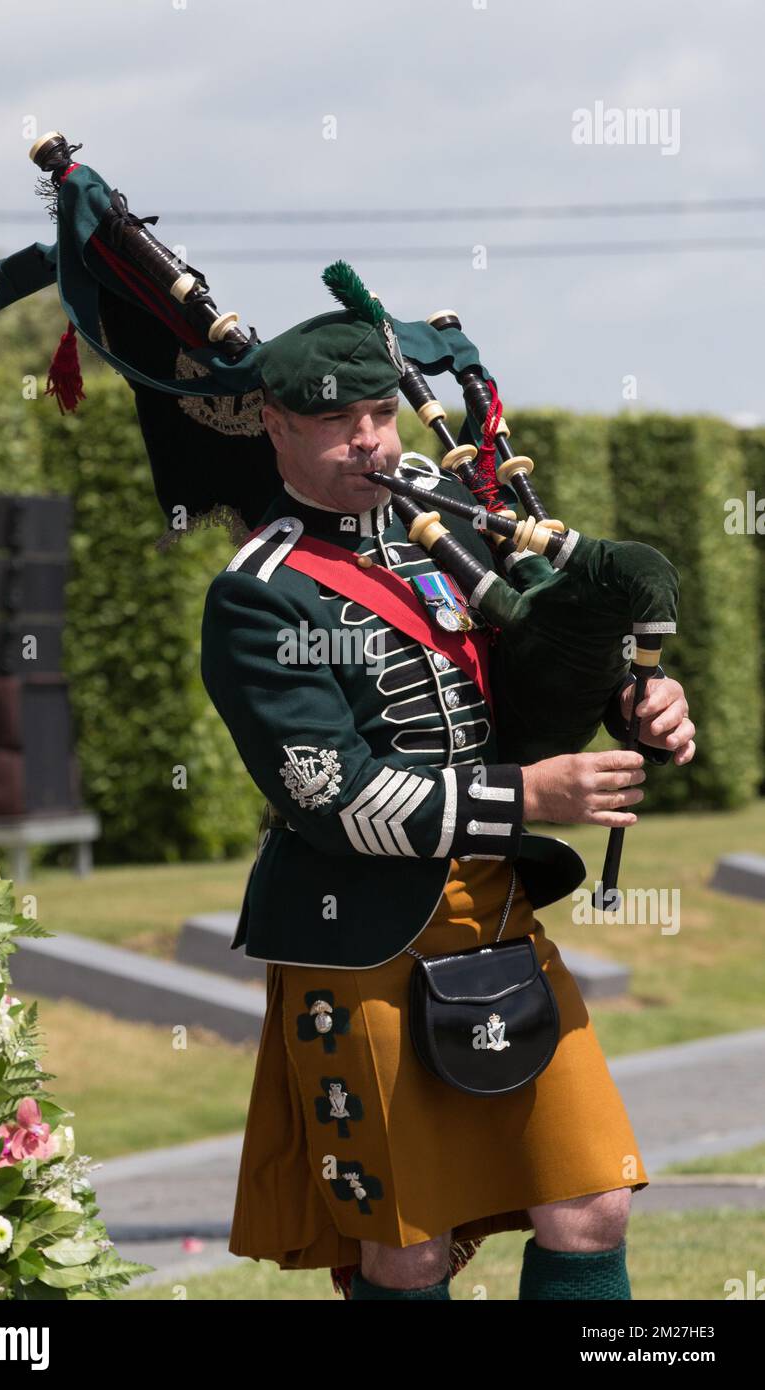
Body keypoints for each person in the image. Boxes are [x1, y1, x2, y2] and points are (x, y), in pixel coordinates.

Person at [200, 273, 695, 1302]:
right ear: (275, 426)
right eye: (336, 421)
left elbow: (541, 657)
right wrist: (529, 798)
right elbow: (334, 797)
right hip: (362, 932)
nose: (371, 441)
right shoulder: (260, 593)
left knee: (589, 1194)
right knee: (410, 1245)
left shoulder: (447, 524)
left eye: (380, 412)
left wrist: (636, 696)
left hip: (500, 913)